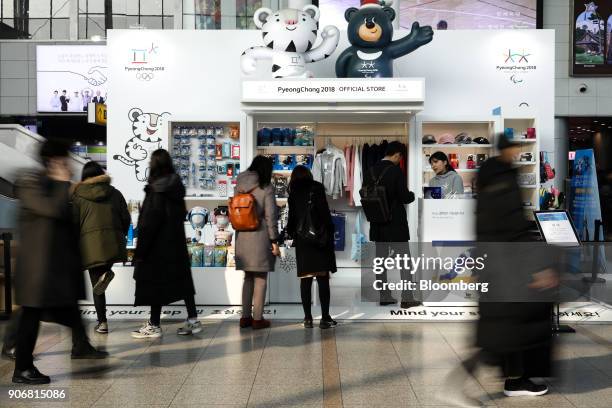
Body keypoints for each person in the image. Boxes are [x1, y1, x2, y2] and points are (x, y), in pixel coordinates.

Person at [440, 135, 557, 405]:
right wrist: (538, 267)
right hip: (508, 267)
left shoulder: (488, 177)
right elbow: (513, 225)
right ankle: (459, 385)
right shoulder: (504, 180)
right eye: (516, 147)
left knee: (504, 328)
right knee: (503, 331)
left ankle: (515, 379)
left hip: (493, 264)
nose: (518, 151)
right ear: (511, 149)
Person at [12, 139, 108, 385]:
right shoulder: (31, 182)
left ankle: (81, 346)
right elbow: (52, 209)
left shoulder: (53, 184)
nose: (68, 164)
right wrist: (61, 182)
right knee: (30, 316)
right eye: (63, 159)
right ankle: (22, 368)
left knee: (69, 311)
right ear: (53, 160)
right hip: (38, 268)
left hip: (55, 266)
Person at [131, 149, 201, 338]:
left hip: (157, 247)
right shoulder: (176, 188)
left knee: (155, 285)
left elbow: (148, 223)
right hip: (176, 245)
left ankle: (154, 324)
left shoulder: (156, 190)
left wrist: (140, 252)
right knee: (184, 284)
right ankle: (193, 320)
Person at [72, 161, 130, 334]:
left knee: (97, 285)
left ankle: (102, 323)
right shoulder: (115, 193)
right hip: (113, 241)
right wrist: (121, 234)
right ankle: (107, 270)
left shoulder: (78, 196)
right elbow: (126, 219)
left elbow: (74, 223)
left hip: (91, 245)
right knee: (102, 276)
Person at [366, 141, 418, 308]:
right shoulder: (396, 171)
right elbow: (404, 197)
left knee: (380, 260)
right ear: (397, 155)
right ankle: (407, 298)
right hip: (395, 223)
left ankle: (384, 296)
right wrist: (412, 195)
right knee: (404, 261)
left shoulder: (370, 171)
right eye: (400, 157)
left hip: (377, 222)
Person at [287, 165, 337, 329]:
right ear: (309, 175)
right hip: (320, 239)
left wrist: (293, 234)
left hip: (303, 240)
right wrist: (329, 232)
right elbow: (325, 213)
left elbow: (292, 219)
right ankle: (325, 318)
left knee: (306, 280)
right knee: (323, 280)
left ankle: (307, 318)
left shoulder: (293, 191)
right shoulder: (317, 188)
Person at [234, 155, 280, 330]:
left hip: (242, 236)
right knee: (260, 278)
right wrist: (274, 239)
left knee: (247, 278)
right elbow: (271, 216)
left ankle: (245, 317)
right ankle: (258, 319)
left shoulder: (240, 182)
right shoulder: (266, 187)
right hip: (260, 237)